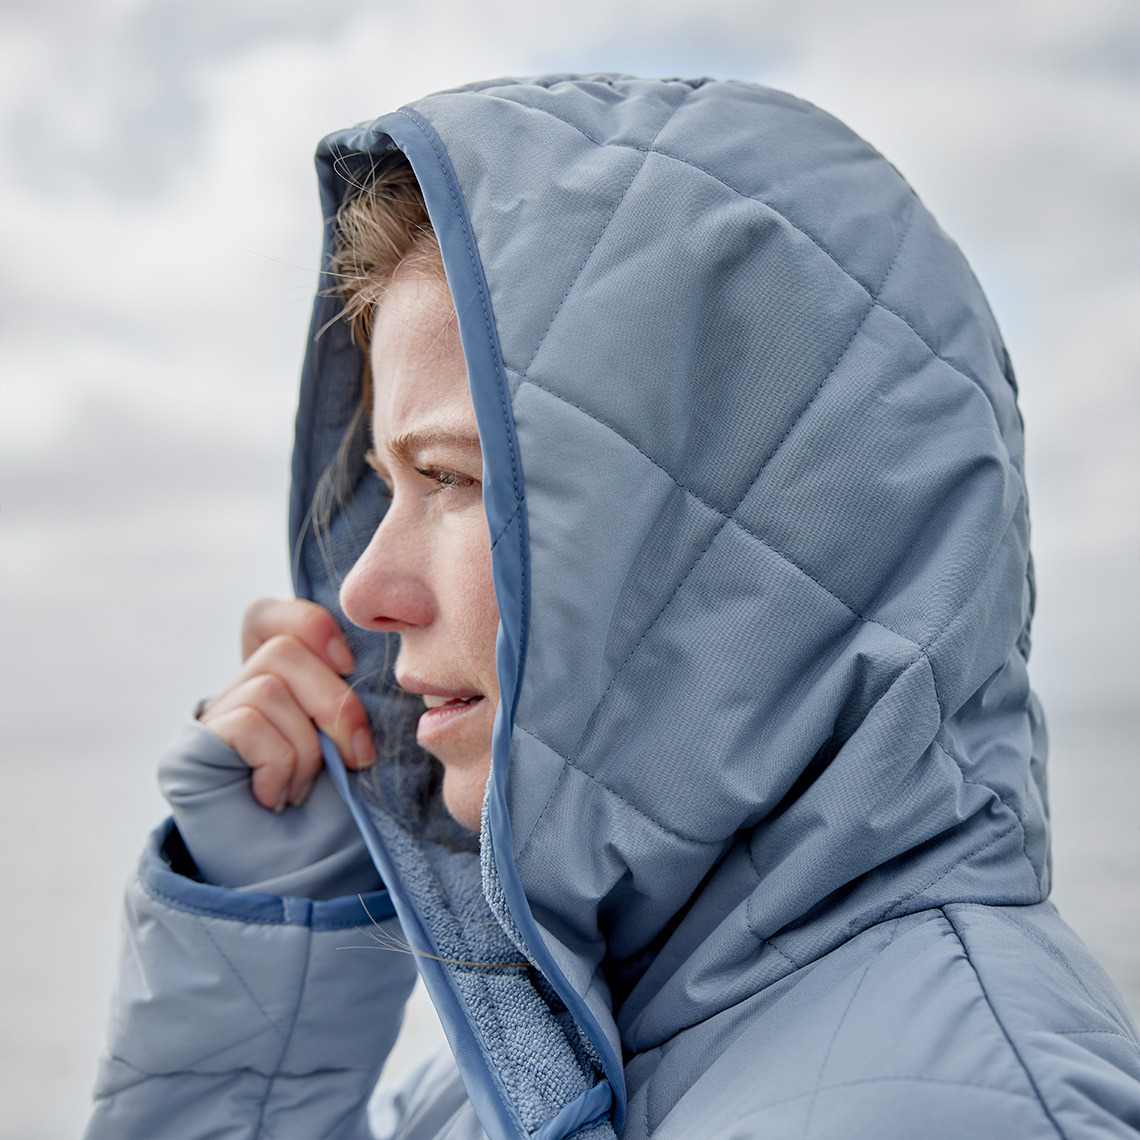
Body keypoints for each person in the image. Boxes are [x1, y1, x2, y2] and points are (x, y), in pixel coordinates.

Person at [84, 75, 1140, 1140]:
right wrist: (275, 930)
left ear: (717, 543)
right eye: (384, 484)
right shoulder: (548, 1050)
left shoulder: (972, 1115)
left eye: (450, 479)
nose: (362, 591)